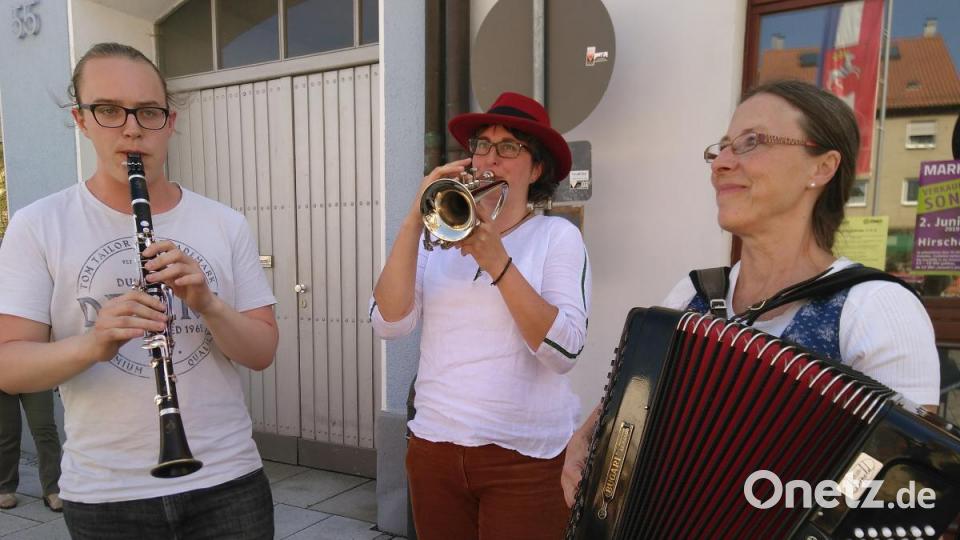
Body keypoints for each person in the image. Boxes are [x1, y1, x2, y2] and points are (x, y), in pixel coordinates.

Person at [561, 79, 941, 506]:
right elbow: (626, 409)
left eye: (751, 142)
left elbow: (905, 491)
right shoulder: (694, 295)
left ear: (822, 168)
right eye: (721, 147)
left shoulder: (876, 308)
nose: (720, 162)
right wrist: (589, 439)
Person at [0, 42, 278, 539]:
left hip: (227, 482)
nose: (131, 128)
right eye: (108, 110)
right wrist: (94, 343)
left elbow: (261, 352)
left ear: (169, 121)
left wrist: (208, 304)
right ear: (81, 120)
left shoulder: (225, 223)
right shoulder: (39, 225)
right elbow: (9, 366)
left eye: (148, 112)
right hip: (106, 494)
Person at [372, 91, 591, 539]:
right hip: (435, 446)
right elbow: (388, 323)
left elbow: (564, 350)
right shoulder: (439, 236)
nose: (490, 158)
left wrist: (497, 261)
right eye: (482, 145)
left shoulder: (556, 237)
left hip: (527, 456)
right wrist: (415, 218)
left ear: (536, 168)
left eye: (509, 147)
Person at [0, 389, 62, 511]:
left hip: (36, 373)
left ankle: (52, 488)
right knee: (6, 432)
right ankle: (5, 487)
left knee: (44, 429)